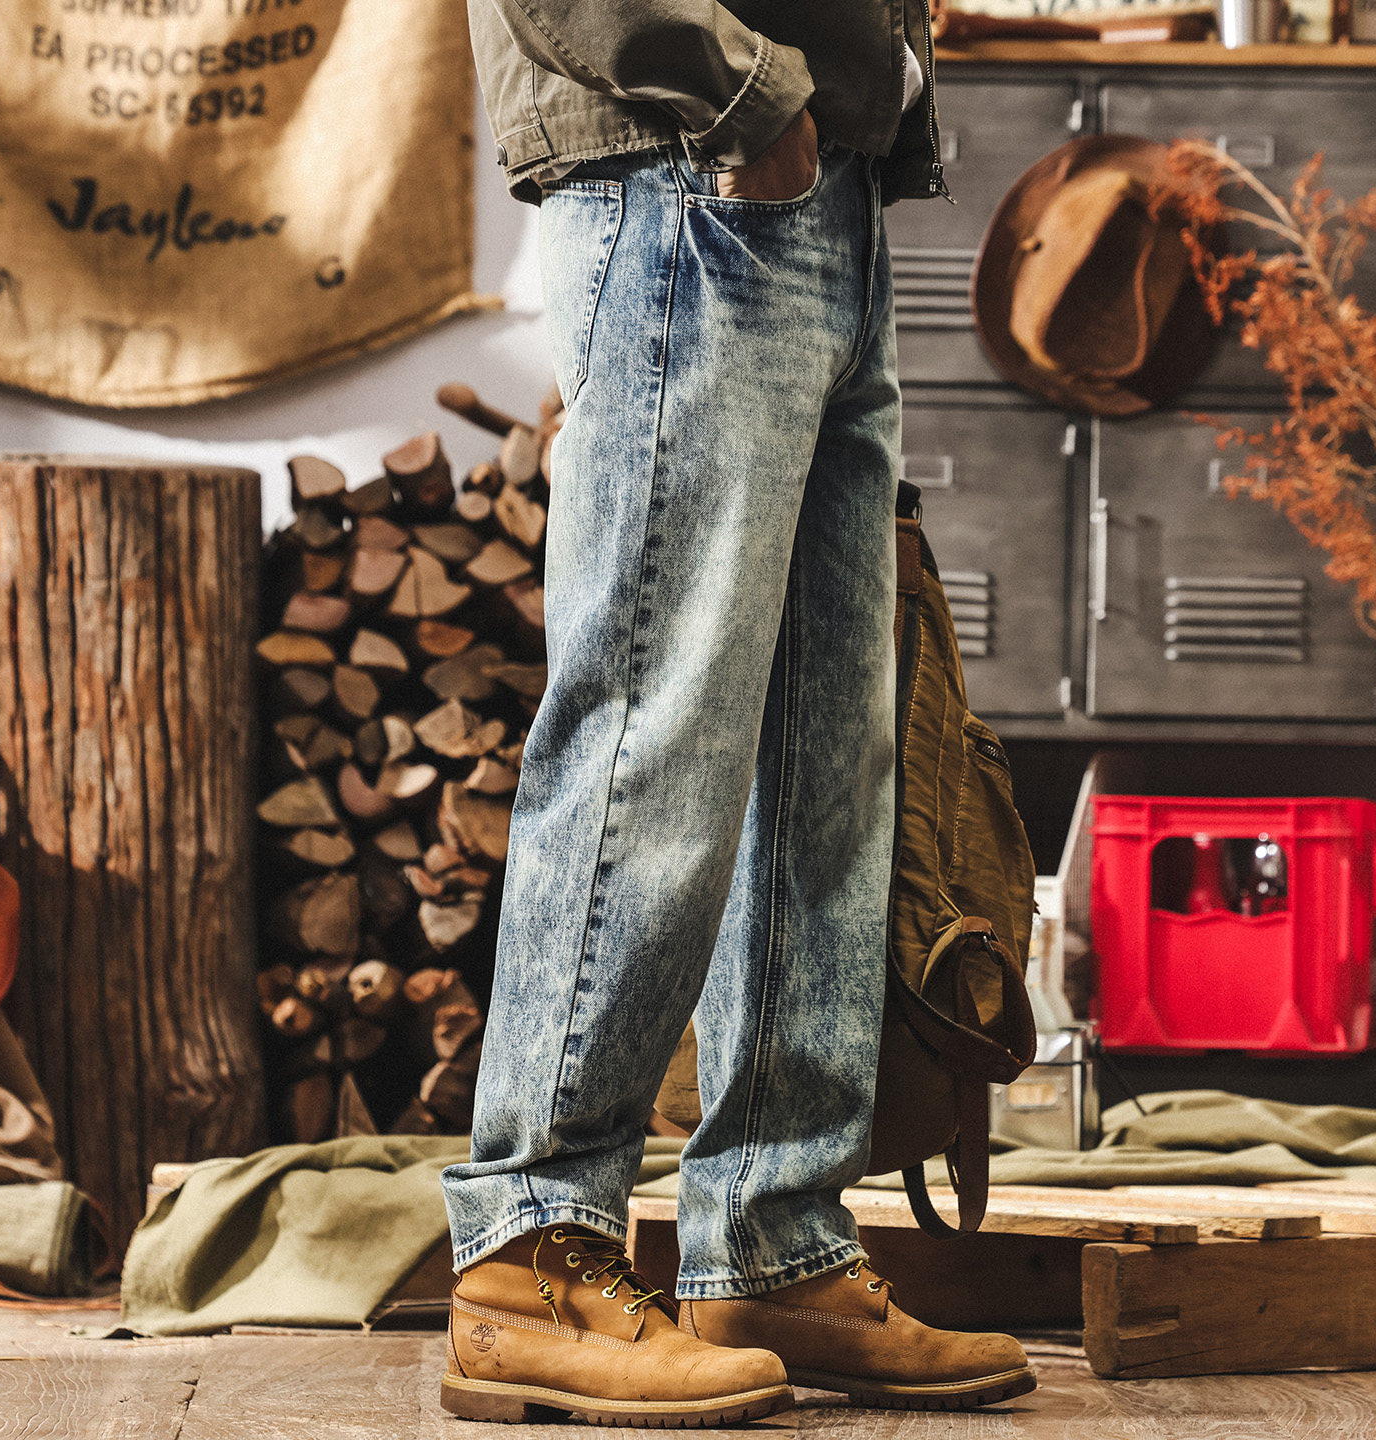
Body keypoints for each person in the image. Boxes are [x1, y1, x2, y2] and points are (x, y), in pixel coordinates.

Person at [440, 2, 1037, 1425]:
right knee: (655, 722)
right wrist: (744, 97)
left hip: (824, 192)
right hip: (689, 175)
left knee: (827, 757)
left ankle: (775, 1243)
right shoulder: (724, 127)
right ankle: (532, 1250)